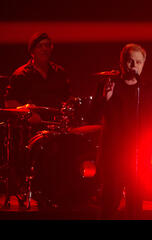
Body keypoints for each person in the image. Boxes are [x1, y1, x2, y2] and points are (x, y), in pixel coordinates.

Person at [89, 43, 152, 219]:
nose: (134, 66)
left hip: (140, 154)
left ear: (143, 64)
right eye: (130, 61)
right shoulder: (109, 85)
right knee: (110, 201)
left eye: (138, 62)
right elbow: (92, 116)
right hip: (114, 153)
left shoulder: (148, 88)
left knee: (135, 204)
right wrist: (105, 99)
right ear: (121, 63)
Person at [2, 32, 70, 208]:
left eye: (48, 45)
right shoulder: (21, 75)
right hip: (31, 129)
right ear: (32, 51)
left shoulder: (60, 73)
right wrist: (30, 115)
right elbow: (10, 102)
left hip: (57, 126)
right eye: (41, 46)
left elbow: (67, 99)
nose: (45, 49)